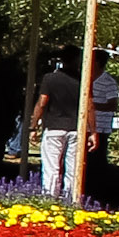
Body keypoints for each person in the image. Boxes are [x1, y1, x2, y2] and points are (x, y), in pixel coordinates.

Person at [30, 45, 87, 200]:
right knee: (73, 168)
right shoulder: (83, 79)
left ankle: (49, 197)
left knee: (51, 167)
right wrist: (92, 130)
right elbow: (90, 104)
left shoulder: (50, 78)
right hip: (76, 127)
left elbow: (42, 102)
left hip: (54, 126)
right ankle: (71, 199)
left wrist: (33, 125)